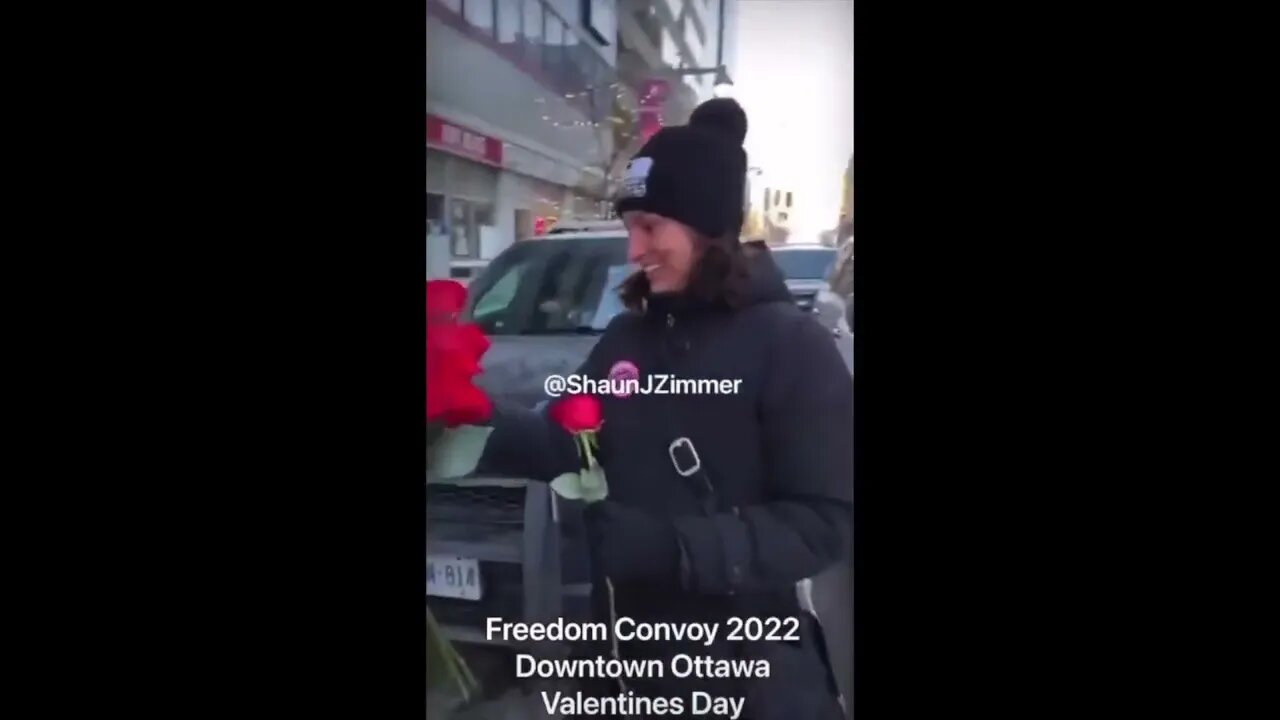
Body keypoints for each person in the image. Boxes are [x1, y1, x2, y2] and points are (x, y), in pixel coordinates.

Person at [473, 98, 852, 719]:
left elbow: (824, 522)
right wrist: (462, 421)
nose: (634, 251)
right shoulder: (628, 340)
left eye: (650, 227)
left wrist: (676, 548)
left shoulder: (790, 346)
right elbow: (567, 441)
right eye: (630, 229)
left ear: (706, 229)